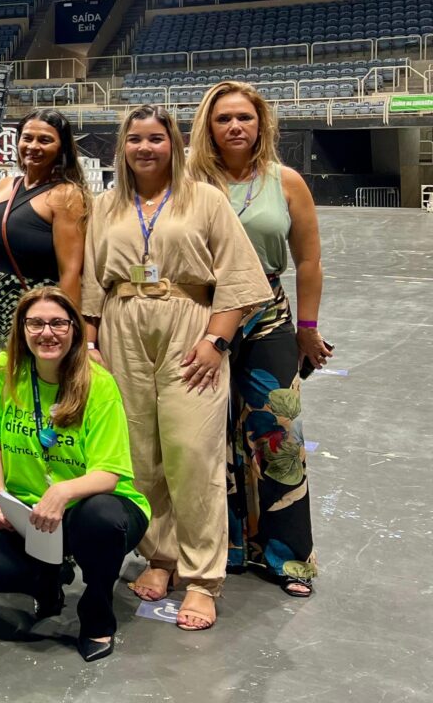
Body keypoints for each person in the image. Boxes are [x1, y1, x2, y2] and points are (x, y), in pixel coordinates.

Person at [82, 104, 271, 631]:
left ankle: (202, 578)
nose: (145, 148)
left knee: (192, 452)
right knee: (139, 452)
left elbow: (236, 277)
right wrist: (91, 344)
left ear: (174, 144)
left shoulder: (204, 200)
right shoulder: (105, 205)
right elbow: (93, 284)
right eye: (135, 139)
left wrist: (217, 341)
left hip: (189, 324)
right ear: (122, 147)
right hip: (121, 325)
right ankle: (159, 556)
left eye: (156, 139)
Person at [191, 81, 328, 598]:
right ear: (209, 126)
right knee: (208, 435)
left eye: (244, 118)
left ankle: (288, 558)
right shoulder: (189, 180)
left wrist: (309, 330)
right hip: (203, 313)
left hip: (268, 315)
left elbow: (308, 261)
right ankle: (222, 550)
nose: (235, 127)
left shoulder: (286, 181)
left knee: (278, 431)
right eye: (224, 118)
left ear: (261, 124)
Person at [0, 287, 150, 663]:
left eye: (57, 323)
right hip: (29, 510)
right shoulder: (3, 371)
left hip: (98, 507)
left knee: (102, 518)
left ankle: (97, 616)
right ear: (21, 329)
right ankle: (48, 582)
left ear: (74, 330)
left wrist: (63, 491)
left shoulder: (98, 385)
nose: (46, 333)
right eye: (35, 323)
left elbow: (109, 475)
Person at [0, 111, 89, 391]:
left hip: (36, 313)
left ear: (61, 147)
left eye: (45, 140)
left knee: (29, 391)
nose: (34, 146)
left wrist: (69, 329)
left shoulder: (66, 196)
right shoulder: (3, 186)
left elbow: (71, 271)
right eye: (28, 138)